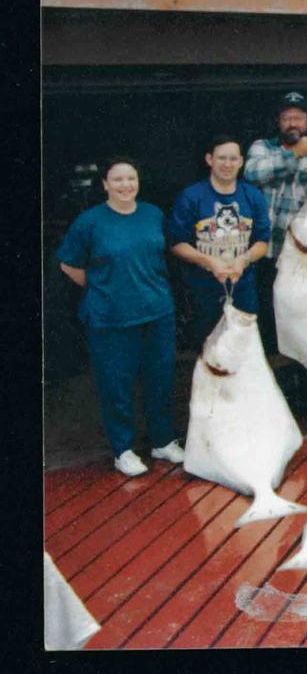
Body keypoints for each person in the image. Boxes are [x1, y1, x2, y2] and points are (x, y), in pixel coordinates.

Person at [56, 157, 184, 477]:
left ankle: (163, 441)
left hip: (157, 313)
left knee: (160, 379)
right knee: (117, 386)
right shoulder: (89, 222)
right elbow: (69, 265)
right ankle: (123, 450)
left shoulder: (153, 214)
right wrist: (103, 286)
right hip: (110, 318)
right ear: (105, 185)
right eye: (117, 180)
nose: (125, 185)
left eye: (131, 178)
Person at [243, 91, 307, 355]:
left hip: (301, 259)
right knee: (265, 322)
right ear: (279, 122)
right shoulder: (262, 148)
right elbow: (252, 173)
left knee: (301, 323)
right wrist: (295, 154)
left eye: (298, 117)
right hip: (265, 254)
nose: (292, 123)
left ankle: (301, 386)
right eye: (287, 118)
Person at [168, 134, 271, 352]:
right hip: (202, 290)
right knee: (207, 351)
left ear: (241, 162)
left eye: (233, 159)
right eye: (221, 158)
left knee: (244, 351)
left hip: (243, 288)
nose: (227, 164)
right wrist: (207, 260)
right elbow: (176, 244)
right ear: (209, 159)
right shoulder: (191, 196)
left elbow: (263, 242)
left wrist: (243, 260)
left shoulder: (253, 196)